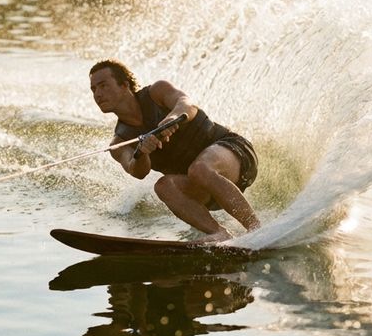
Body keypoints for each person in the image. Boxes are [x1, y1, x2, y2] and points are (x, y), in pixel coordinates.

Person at [89, 59, 260, 242]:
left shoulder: (157, 92)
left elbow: (187, 105)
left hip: (237, 156)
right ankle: (218, 233)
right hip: (210, 191)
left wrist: (171, 119)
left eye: (103, 85)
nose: (98, 94)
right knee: (163, 186)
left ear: (124, 85)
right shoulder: (119, 142)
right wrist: (143, 152)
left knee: (199, 168)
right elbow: (137, 171)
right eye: (93, 89)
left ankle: (256, 229)